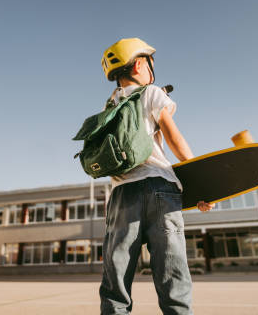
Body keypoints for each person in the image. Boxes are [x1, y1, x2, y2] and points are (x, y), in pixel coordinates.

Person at [99, 38, 213, 315]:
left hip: (122, 194)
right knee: (171, 269)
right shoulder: (151, 93)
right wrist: (200, 181)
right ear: (139, 64)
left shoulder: (110, 105)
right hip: (160, 187)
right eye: (150, 64)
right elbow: (173, 136)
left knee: (117, 273)